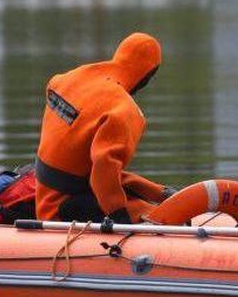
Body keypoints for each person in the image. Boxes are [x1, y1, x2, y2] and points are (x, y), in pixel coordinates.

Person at [34, 32, 172, 223]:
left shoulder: (68, 79)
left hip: (43, 198)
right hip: (61, 210)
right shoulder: (122, 110)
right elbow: (103, 171)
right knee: (163, 217)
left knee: (153, 203)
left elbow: (89, 169)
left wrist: (159, 192)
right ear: (148, 76)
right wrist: (120, 218)